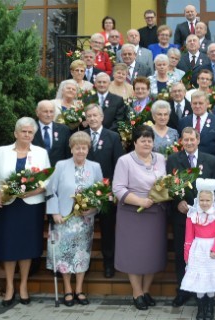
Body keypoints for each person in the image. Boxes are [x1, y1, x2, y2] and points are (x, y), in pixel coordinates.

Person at [0, 117, 51, 307]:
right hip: (7, 207)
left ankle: (23, 286)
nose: (27, 135)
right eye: (24, 132)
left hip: (30, 206)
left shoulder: (40, 153)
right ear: (16, 133)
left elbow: (46, 180)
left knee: (27, 247)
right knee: (8, 247)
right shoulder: (2, 152)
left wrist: (32, 191)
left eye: (30, 132)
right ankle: (9, 286)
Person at [112, 125, 168, 310]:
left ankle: (145, 290)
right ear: (134, 142)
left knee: (152, 253)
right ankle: (137, 293)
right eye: (142, 140)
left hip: (155, 214)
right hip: (132, 213)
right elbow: (118, 188)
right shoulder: (124, 161)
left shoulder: (160, 158)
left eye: (149, 140)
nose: (146, 143)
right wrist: (140, 201)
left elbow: (167, 182)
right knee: (134, 254)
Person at [46, 131, 104, 307]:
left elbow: (101, 193)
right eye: (77, 147)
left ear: (88, 149)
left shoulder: (95, 167)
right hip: (63, 220)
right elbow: (51, 191)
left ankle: (79, 290)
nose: (80, 151)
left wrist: (93, 208)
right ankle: (67, 290)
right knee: (64, 255)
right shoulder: (61, 165)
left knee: (81, 255)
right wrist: (54, 213)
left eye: (84, 147)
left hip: (84, 221)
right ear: (71, 149)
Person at [166, 127, 215, 307]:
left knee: (204, 255)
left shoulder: (211, 160)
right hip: (183, 216)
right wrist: (177, 201)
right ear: (181, 141)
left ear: (198, 140)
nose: (189, 142)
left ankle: (205, 293)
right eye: (185, 139)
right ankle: (183, 290)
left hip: (206, 220)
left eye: (192, 139)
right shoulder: (173, 159)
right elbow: (169, 184)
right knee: (184, 254)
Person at [181, 178, 215, 319]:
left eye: (207, 200)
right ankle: (200, 308)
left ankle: (210, 307)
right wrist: (187, 257)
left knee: (210, 278)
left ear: (212, 200)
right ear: (198, 200)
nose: (204, 203)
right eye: (202, 200)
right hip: (197, 250)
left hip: (212, 251)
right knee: (199, 279)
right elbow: (188, 238)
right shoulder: (192, 215)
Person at [84, 104, 125, 278]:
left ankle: (109, 264)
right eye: (89, 116)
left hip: (107, 192)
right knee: (84, 230)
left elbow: (119, 164)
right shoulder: (80, 136)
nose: (92, 119)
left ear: (102, 117)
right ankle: (82, 264)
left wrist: (114, 190)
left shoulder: (113, 137)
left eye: (95, 115)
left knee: (108, 230)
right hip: (84, 193)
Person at [178, 90, 215, 165]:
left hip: (211, 167)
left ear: (207, 104)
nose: (197, 106)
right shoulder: (183, 122)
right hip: (188, 168)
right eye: (195, 103)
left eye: (201, 103)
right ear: (191, 104)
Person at [33, 100, 72, 166]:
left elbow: (68, 154)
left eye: (51, 112)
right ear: (37, 112)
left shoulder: (64, 130)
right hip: (36, 171)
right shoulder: (30, 130)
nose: (49, 115)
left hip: (58, 171)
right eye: (45, 111)